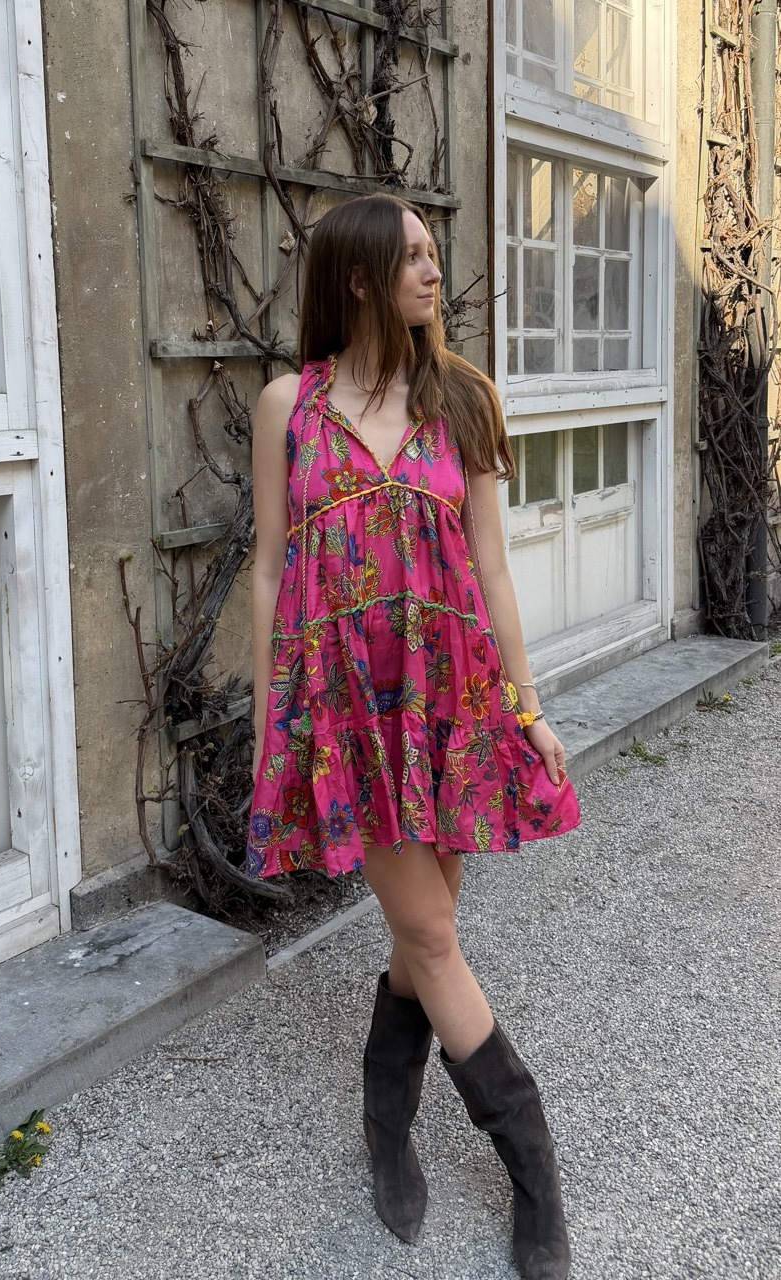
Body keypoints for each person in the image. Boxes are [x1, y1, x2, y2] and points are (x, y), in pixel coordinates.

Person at [246, 193, 580, 1280]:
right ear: (357, 277)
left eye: (437, 252)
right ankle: (533, 1165)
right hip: (345, 718)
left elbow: (491, 566)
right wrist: (270, 723)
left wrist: (527, 710)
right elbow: (267, 570)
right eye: (416, 257)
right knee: (433, 936)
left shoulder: (463, 400)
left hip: (449, 706)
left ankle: (384, 1115)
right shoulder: (287, 408)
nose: (435, 272)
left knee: (415, 933)